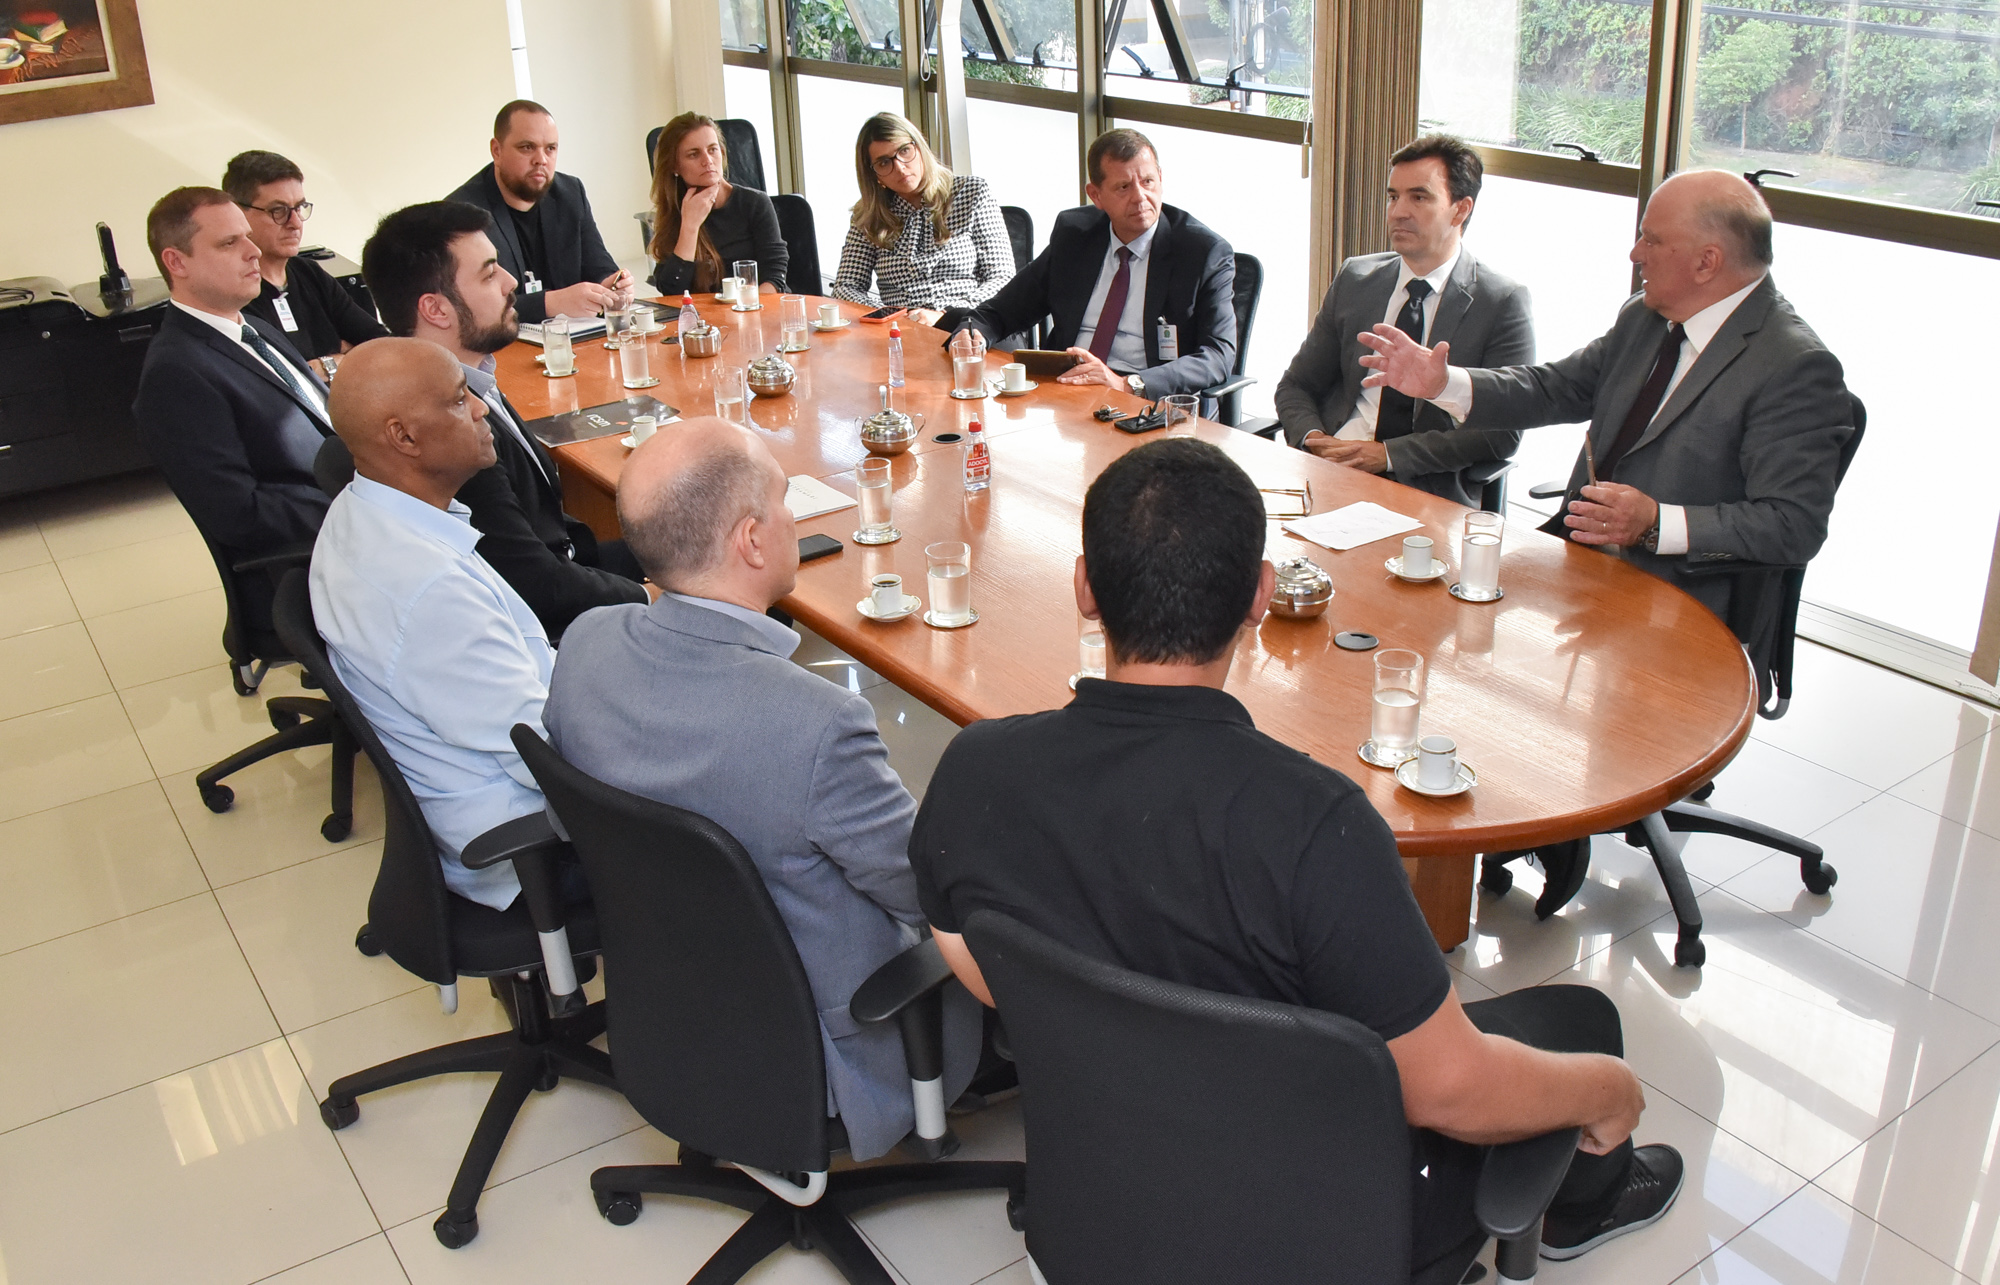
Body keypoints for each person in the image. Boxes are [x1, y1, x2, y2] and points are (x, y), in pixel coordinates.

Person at [909, 438, 1685, 1279]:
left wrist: (1113, 1033)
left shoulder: (978, 765)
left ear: (1085, 587)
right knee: (1583, 1027)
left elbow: (974, 958)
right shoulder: (1318, 825)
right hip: (1321, 1229)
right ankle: (1583, 1203)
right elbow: (1448, 1091)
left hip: (1097, 1184)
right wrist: (1609, 1088)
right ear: (1260, 597)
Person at [1356, 169, 1855, 915]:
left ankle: (1537, 815)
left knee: (1484, 650)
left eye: (1652, 238)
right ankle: (1483, 812)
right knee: (1437, 627)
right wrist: (1444, 383)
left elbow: (1794, 524)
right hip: (1588, 558)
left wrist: (1658, 520)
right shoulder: (1647, 317)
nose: (1635, 250)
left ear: (1708, 261)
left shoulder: (1793, 366)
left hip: (1687, 597)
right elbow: (1557, 387)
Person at [542, 416, 980, 1163]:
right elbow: (921, 893)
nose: (794, 518)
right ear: (751, 541)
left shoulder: (583, 643)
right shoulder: (816, 724)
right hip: (828, 1048)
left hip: (670, 1005)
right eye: (784, 501)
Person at [310, 338, 554, 911]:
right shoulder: (428, 592)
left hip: (496, 772)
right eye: (457, 399)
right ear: (404, 437)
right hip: (530, 845)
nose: (481, 408)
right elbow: (544, 757)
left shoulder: (358, 511)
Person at [362, 201, 650, 642]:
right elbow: (535, 584)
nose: (511, 282)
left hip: (567, 564)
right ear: (436, 310)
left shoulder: (472, 376)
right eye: (489, 272)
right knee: (732, 587)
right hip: (552, 624)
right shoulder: (446, 429)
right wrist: (650, 598)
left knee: (709, 545)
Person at [1273, 135, 1531, 507]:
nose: (1397, 212)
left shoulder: (1501, 302)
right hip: (1330, 469)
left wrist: (1387, 455)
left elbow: (1501, 434)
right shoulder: (1356, 278)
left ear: (1460, 210)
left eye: (1419, 197)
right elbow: (1295, 385)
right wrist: (1315, 440)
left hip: (1426, 490)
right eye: (1393, 196)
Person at [133, 186, 334, 645]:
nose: (254, 251)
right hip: (310, 562)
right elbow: (238, 513)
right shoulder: (177, 375)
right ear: (176, 263)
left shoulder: (249, 326)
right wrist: (354, 509)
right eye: (229, 243)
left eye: (248, 236)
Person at [950, 128, 1234, 403]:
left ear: (1160, 178)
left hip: (1143, 400)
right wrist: (971, 334)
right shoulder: (1075, 235)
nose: (1139, 197)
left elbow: (1218, 354)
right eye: (1123, 187)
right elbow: (1003, 310)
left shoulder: (1202, 252)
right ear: (1096, 195)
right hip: (1065, 392)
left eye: (1148, 182)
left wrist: (1129, 384)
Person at [448, 100, 632, 325]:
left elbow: (599, 267)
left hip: (574, 339)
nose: (541, 160)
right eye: (527, 147)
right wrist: (552, 302)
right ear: (497, 151)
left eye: (550, 148)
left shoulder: (570, 194)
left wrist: (613, 285)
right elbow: (473, 306)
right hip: (503, 348)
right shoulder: (463, 212)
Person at [832, 112, 1012, 326]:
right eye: (883, 163)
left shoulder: (971, 193)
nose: (899, 167)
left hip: (971, 322)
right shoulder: (870, 214)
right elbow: (845, 286)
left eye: (904, 151)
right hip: (901, 330)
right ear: (874, 175)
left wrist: (948, 315)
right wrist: (887, 315)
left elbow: (1003, 278)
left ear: (920, 148)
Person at [223, 150, 389, 375]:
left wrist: (326, 364)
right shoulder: (233, 291)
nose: (295, 223)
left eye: (299, 208)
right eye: (278, 211)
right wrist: (340, 356)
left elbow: (383, 345)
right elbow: (283, 378)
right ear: (237, 212)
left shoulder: (309, 272)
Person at [648, 111, 787, 297]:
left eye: (712, 150)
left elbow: (775, 278)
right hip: (702, 322)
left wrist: (745, 313)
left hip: (756, 311)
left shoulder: (755, 203)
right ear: (675, 166)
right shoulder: (675, 211)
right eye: (694, 154)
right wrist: (690, 226)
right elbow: (672, 292)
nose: (708, 161)